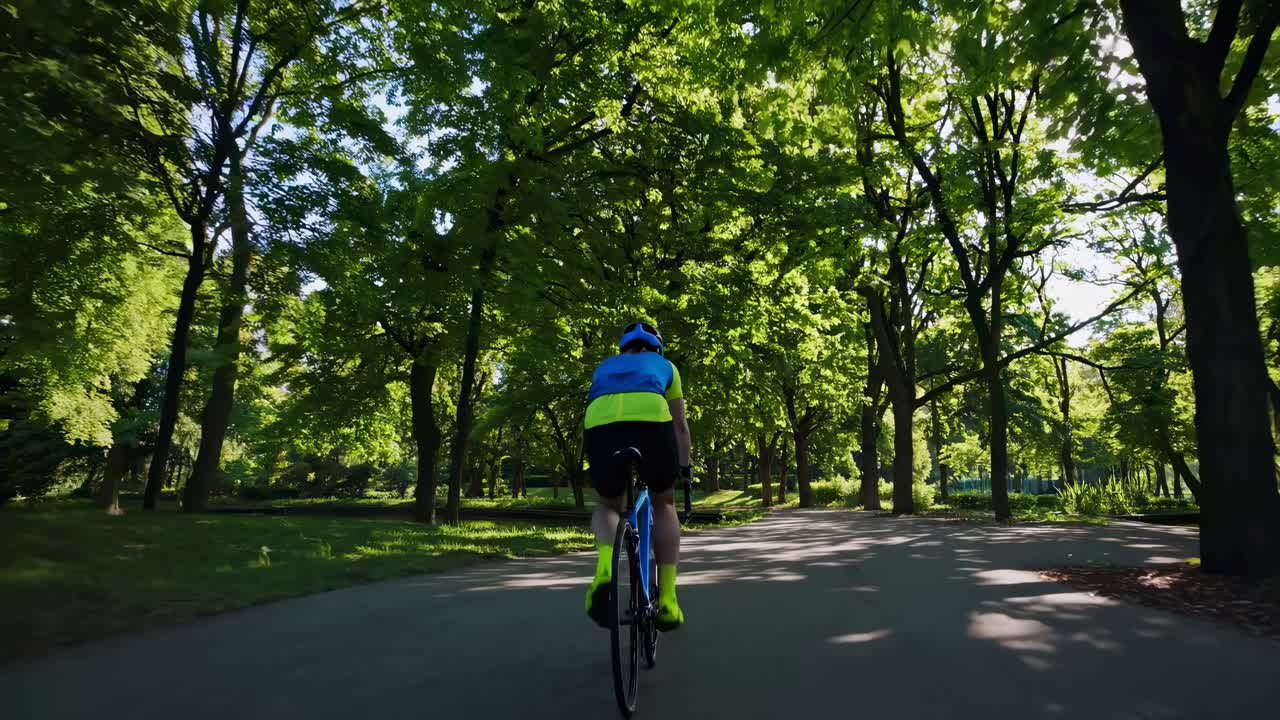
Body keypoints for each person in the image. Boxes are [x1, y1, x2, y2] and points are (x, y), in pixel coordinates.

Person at [583, 321, 692, 631]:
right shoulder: (665, 366)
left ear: (624, 348)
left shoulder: (605, 366)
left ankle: (605, 570)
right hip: (650, 422)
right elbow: (680, 425)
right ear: (657, 347)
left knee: (607, 504)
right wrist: (684, 469)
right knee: (663, 502)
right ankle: (668, 600)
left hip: (600, 423)